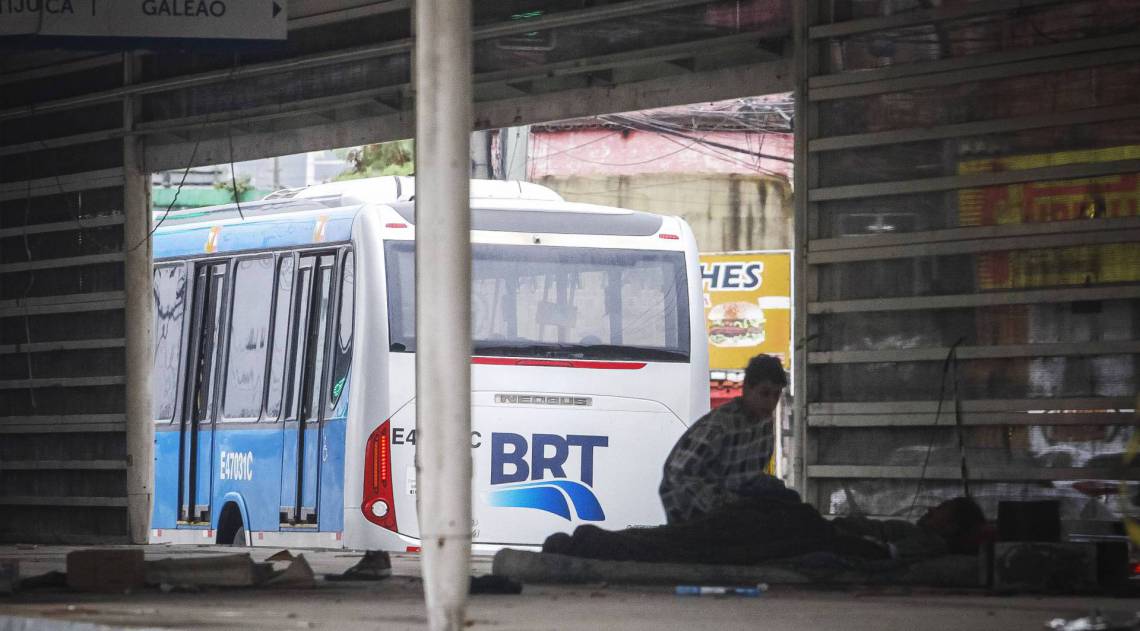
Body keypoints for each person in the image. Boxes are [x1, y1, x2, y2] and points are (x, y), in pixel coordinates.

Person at [658, 353, 792, 524]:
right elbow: (677, 476)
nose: (771, 402)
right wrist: (723, 507)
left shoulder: (764, 425)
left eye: (776, 394)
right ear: (747, 389)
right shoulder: (719, 427)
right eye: (765, 393)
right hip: (697, 511)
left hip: (735, 501)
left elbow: (749, 477)